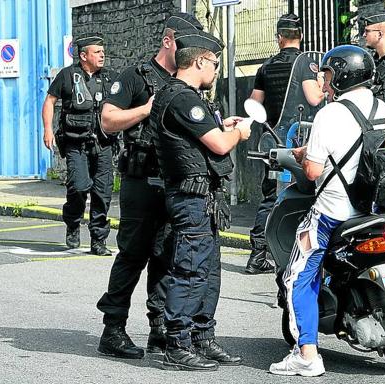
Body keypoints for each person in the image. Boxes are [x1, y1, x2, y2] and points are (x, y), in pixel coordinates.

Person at [269, 45, 385, 377]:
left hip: (333, 213)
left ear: (341, 75)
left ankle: (307, 356)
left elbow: (312, 172)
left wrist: (303, 155)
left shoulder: (329, 114)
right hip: (376, 211)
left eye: (326, 75)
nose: (324, 83)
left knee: (297, 276)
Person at [96, 13, 203, 359]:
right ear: (169, 42)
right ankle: (112, 329)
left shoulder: (188, 82)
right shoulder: (135, 77)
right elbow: (108, 121)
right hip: (141, 180)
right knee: (133, 254)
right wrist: (146, 109)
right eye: (185, 44)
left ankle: (159, 327)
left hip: (175, 180)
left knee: (167, 256)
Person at [150, 28, 248, 371]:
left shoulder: (186, 98)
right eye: (216, 64)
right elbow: (220, 146)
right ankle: (177, 343)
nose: (216, 71)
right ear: (201, 61)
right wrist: (238, 133)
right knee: (190, 269)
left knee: (207, 271)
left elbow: (207, 138)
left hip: (203, 198)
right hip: (190, 197)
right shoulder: (181, 98)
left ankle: (201, 337)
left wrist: (226, 126)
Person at [245, 13, 324, 274]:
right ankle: (297, 250)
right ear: (300, 37)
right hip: (299, 140)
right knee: (305, 194)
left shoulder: (265, 67)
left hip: (273, 142)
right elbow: (313, 99)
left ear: (279, 38)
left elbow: (254, 103)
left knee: (271, 196)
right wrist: (324, 87)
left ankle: (258, 253)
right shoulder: (306, 64)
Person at [42, 34, 118, 256]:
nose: (102, 55)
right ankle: (73, 222)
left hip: (103, 144)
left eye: (103, 51)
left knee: (103, 193)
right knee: (78, 186)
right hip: (76, 144)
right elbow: (50, 101)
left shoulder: (110, 78)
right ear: (84, 56)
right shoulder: (67, 76)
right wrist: (48, 129)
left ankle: (98, 240)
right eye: (97, 52)